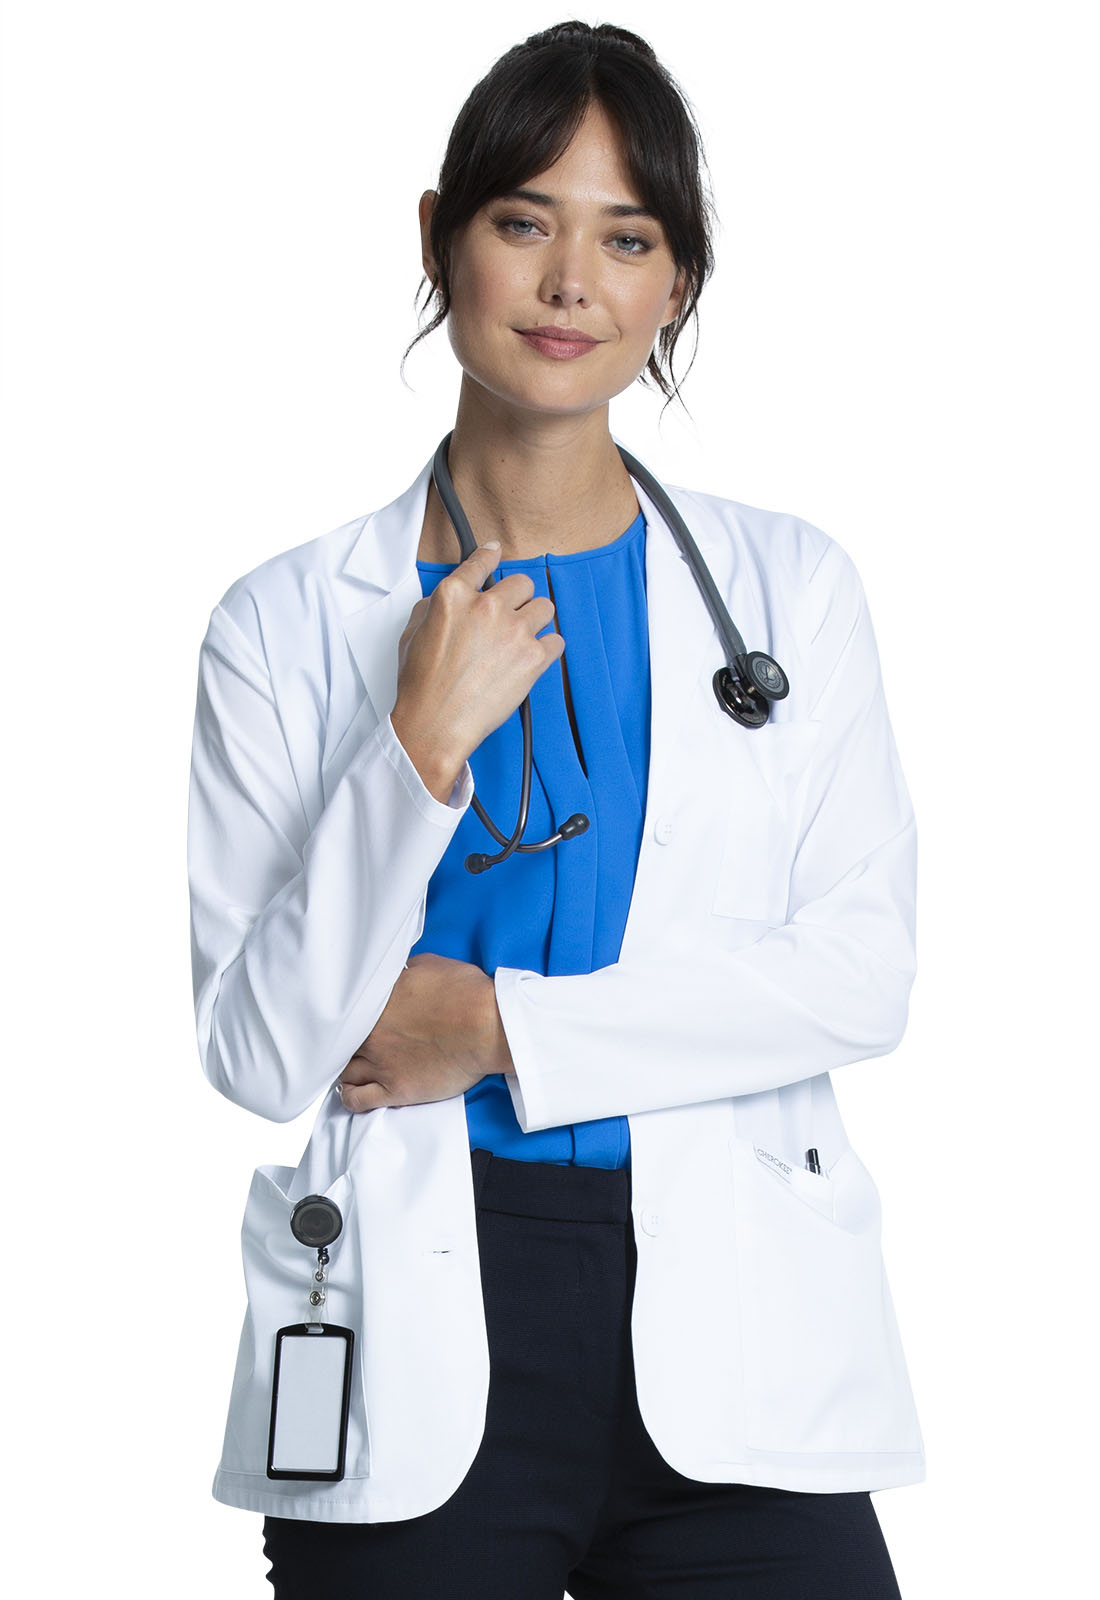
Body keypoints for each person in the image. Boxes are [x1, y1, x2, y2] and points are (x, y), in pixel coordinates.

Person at [187, 19, 923, 1599]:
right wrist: (412, 747)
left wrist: (495, 1030)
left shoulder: (792, 589)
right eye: (525, 221)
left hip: (738, 1316)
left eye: (627, 238)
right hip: (424, 1309)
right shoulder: (284, 622)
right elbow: (258, 1050)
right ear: (439, 240)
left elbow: (859, 978)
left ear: (677, 286)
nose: (571, 281)